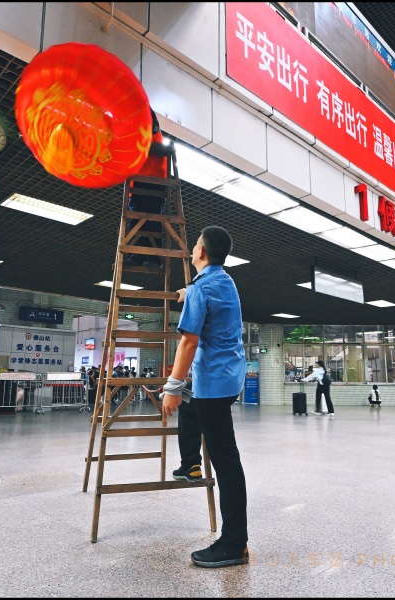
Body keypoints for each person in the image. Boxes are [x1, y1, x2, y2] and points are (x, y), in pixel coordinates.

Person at [160, 225, 249, 569]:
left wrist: (172, 387)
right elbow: (207, 298)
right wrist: (188, 293)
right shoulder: (225, 281)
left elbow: (189, 341)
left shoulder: (202, 289)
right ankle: (189, 463)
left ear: (201, 251)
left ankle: (233, 543)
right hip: (228, 377)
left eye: (195, 244)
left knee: (226, 462)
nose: (193, 248)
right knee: (191, 409)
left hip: (212, 382)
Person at [122, 109, 171, 270]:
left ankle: (155, 259)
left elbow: (148, 132)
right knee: (137, 221)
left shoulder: (147, 122)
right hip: (140, 179)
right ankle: (139, 256)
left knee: (151, 221)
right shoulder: (140, 124)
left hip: (152, 178)